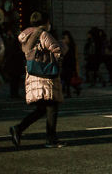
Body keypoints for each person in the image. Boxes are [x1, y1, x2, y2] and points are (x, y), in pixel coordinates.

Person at [9, 12, 68, 149]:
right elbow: (57, 50)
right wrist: (61, 54)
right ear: (46, 22)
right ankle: (51, 139)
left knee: (42, 109)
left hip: (34, 75)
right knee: (52, 107)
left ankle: (18, 128)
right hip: (46, 75)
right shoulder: (43, 34)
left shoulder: (26, 36)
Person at [60, 31, 81, 98]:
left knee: (69, 79)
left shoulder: (72, 46)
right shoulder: (64, 46)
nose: (64, 40)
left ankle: (70, 91)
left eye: (65, 38)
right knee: (65, 78)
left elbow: (76, 56)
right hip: (65, 64)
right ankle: (72, 90)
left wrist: (76, 66)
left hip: (71, 64)